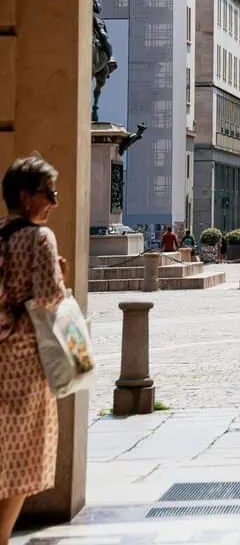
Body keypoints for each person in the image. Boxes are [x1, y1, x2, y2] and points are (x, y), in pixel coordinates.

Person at [0, 155, 69, 545]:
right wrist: (60, 275)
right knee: (22, 457)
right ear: (26, 197)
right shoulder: (40, 237)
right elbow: (49, 296)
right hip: (25, 362)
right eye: (49, 193)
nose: (55, 202)